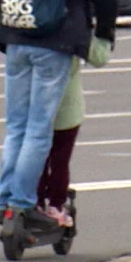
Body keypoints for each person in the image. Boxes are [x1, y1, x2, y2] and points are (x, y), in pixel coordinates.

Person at [0, 0, 118, 226]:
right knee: (39, 129)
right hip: (55, 45)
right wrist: (103, 36)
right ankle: (23, 202)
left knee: (15, 126)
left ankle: (5, 201)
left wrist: (9, 28)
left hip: (15, 40)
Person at [35, 36, 111, 227]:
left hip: (32, 106)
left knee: (34, 156)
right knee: (60, 160)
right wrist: (105, 33)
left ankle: (33, 202)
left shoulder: (30, 20)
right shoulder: (74, 23)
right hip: (66, 109)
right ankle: (55, 206)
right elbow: (99, 57)